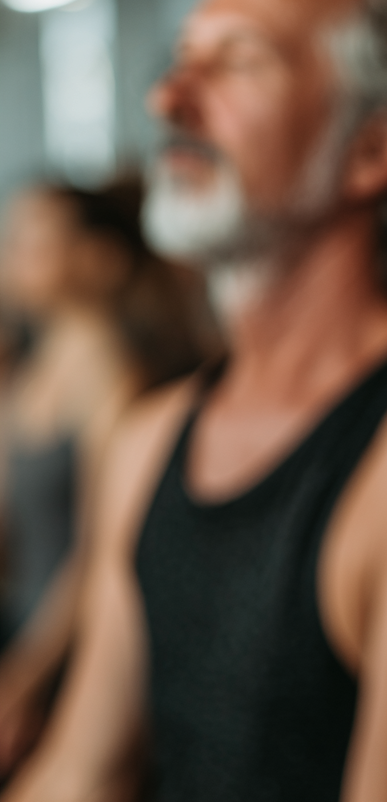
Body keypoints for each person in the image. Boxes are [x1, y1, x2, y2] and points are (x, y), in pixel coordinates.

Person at [2, 0, 387, 802]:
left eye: (239, 61)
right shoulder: (148, 440)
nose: (171, 97)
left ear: (379, 147)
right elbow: (80, 771)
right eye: (182, 60)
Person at [0, 179, 207, 775]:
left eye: (33, 239)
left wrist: (26, 676)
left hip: (73, 650)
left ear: (97, 259)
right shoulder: (29, 368)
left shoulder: (114, 377)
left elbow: (97, 553)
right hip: (21, 627)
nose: (14, 252)